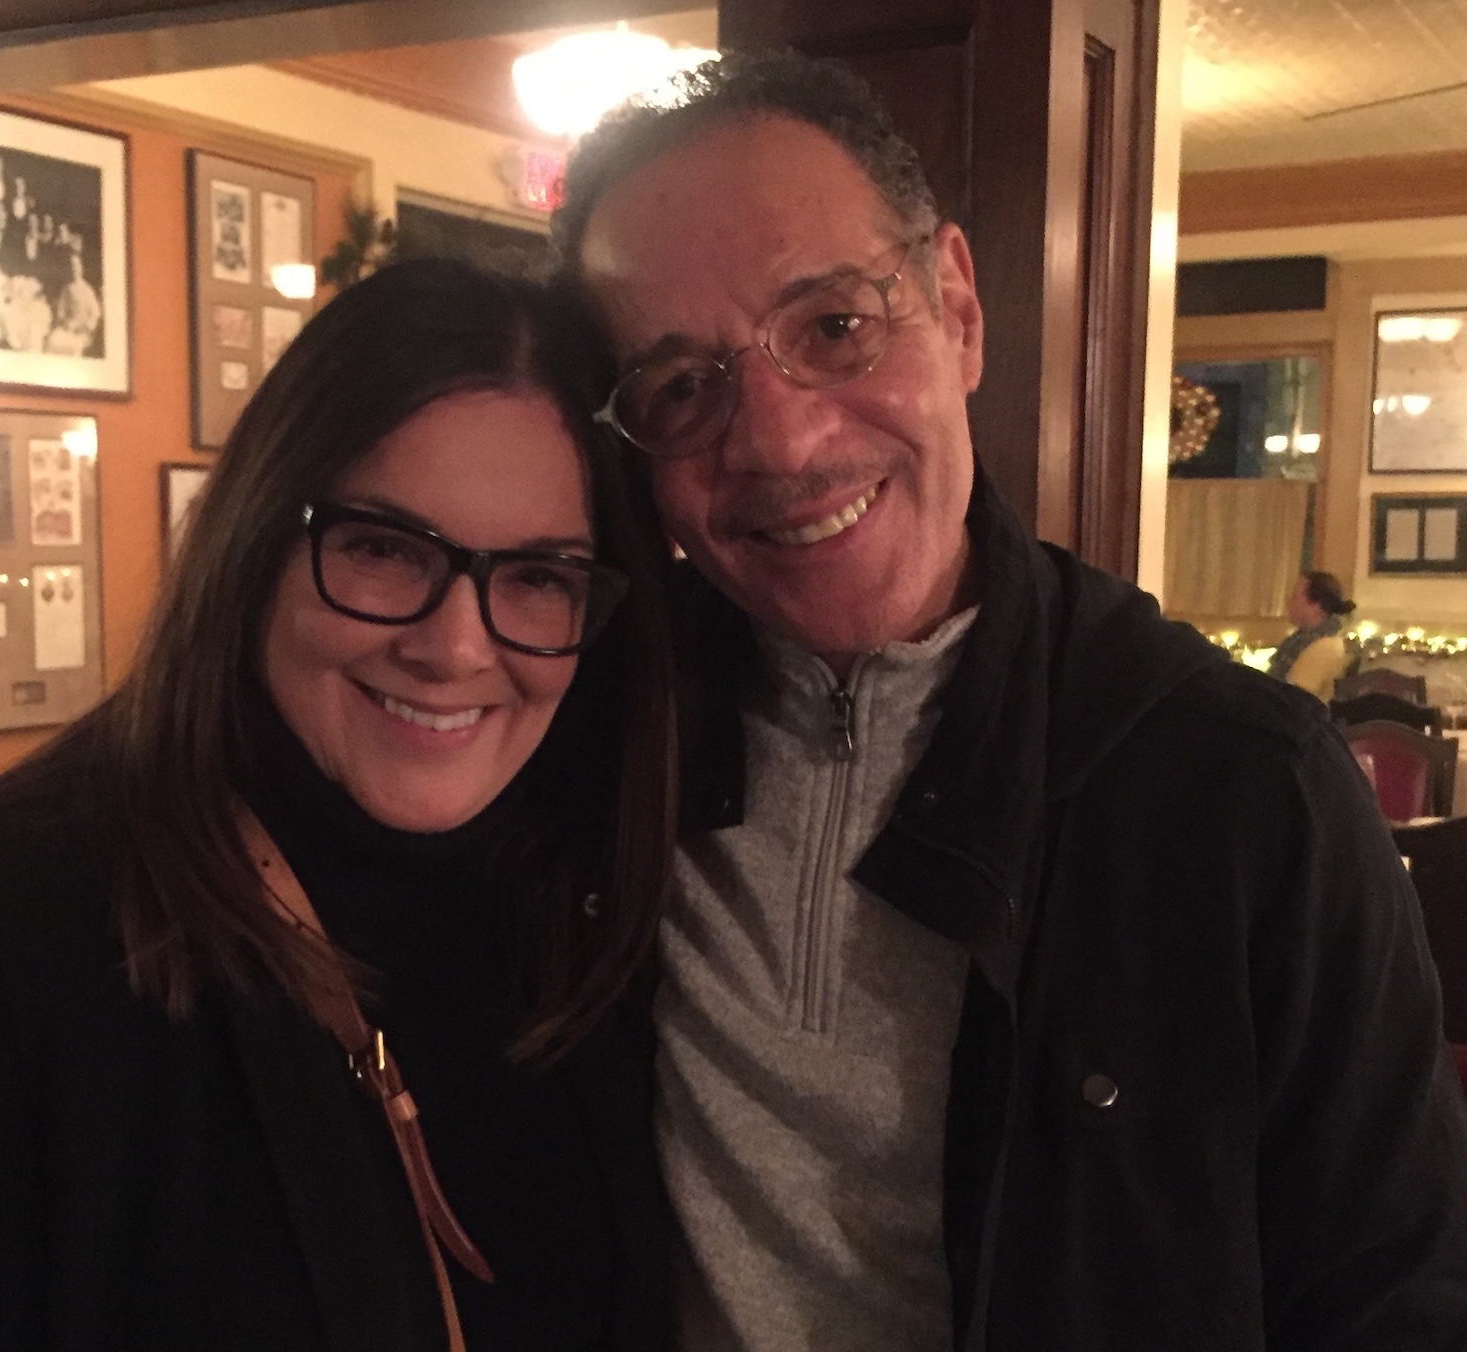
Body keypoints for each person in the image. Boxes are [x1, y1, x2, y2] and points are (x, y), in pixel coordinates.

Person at [552, 50, 1467, 1351]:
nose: (779, 441)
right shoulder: (590, 731)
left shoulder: (1248, 783)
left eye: (834, 325)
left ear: (960, 309)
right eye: (682, 387)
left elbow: (1394, 1299)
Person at [0, 258, 675, 1351]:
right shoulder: (0, 941)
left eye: (539, 576)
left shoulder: (586, 902)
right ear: (255, 547)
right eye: (383, 549)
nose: (454, 647)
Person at [1268, 569, 1355, 702]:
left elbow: (1294, 699)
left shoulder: (1324, 647)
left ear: (1315, 606)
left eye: (1295, 596)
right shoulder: (1302, 641)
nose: (1289, 601)